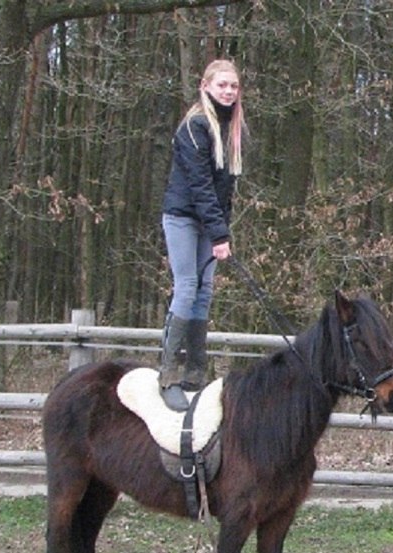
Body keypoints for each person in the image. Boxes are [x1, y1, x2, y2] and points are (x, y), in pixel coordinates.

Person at [158, 59, 246, 411]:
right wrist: (219, 235)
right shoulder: (195, 126)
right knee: (187, 287)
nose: (228, 91)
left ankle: (195, 373)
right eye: (222, 85)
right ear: (205, 85)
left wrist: (220, 230)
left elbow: (224, 192)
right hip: (182, 217)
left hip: (208, 222)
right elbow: (201, 187)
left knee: (204, 292)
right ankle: (166, 374)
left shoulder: (230, 129)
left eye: (233, 86)